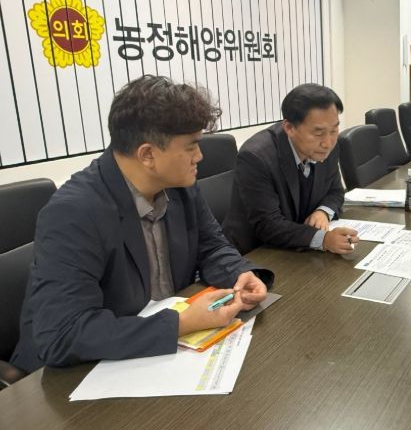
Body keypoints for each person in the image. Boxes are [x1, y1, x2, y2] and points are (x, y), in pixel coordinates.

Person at [11, 75, 272, 374]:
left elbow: (212, 246)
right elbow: (63, 333)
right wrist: (181, 323)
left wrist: (239, 274)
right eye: (191, 147)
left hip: (156, 354)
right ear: (147, 154)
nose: (199, 156)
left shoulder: (180, 186)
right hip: (74, 375)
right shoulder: (74, 212)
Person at [223, 83, 358, 255]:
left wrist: (323, 212)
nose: (327, 142)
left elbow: (335, 191)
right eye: (318, 133)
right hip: (257, 253)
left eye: (334, 130)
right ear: (289, 128)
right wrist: (323, 239)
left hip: (300, 249)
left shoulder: (328, 145)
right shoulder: (256, 157)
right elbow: (268, 225)